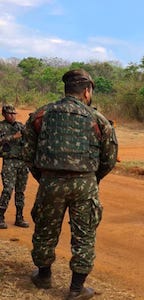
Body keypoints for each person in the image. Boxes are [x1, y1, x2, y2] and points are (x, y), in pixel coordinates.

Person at [22, 69, 118, 300]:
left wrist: (45, 176)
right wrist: (92, 179)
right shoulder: (97, 119)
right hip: (84, 183)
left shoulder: (41, 115)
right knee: (84, 235)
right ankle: (76, 289)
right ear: (87, 91)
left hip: (50, 182)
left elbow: (28, 152)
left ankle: (43, 276)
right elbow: (110, 157)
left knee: (45, 230)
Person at [0, 104, 29, 229]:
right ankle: (0, 216)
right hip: (9, 161)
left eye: (14, 114)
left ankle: (19, 217)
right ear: (4, 114)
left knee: (20, 191)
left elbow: (29, 136)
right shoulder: (1, 127)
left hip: (22, 162)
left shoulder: (20, 126)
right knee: (8, 189)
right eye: (10, 114)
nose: (12, 116)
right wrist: (13, 137)